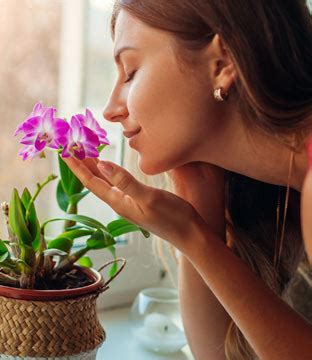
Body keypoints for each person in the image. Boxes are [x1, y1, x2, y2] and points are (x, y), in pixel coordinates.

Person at [62, 1, 312, 359]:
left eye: (131, 71)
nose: (111, 109)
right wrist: (197, 194)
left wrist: (192, 236)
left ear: (222, 63)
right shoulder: (271, 190)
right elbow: (218, 355)